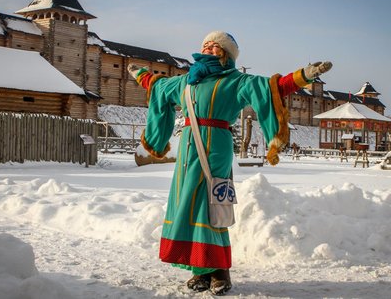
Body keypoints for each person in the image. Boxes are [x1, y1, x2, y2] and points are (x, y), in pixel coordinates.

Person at [128, 31, 332, 295]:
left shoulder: (236, 81)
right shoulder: (187, 82)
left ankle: (220, 270)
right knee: (187, 202)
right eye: (206, 45)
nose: (209, 48)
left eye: (215, 47)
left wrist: (304, 74)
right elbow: (158, 87)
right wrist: (140, 73)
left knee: (212, 204)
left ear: (226, 54)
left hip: (216, 146)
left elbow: (273, 87)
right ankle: (200, 269)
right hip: (188, 146)